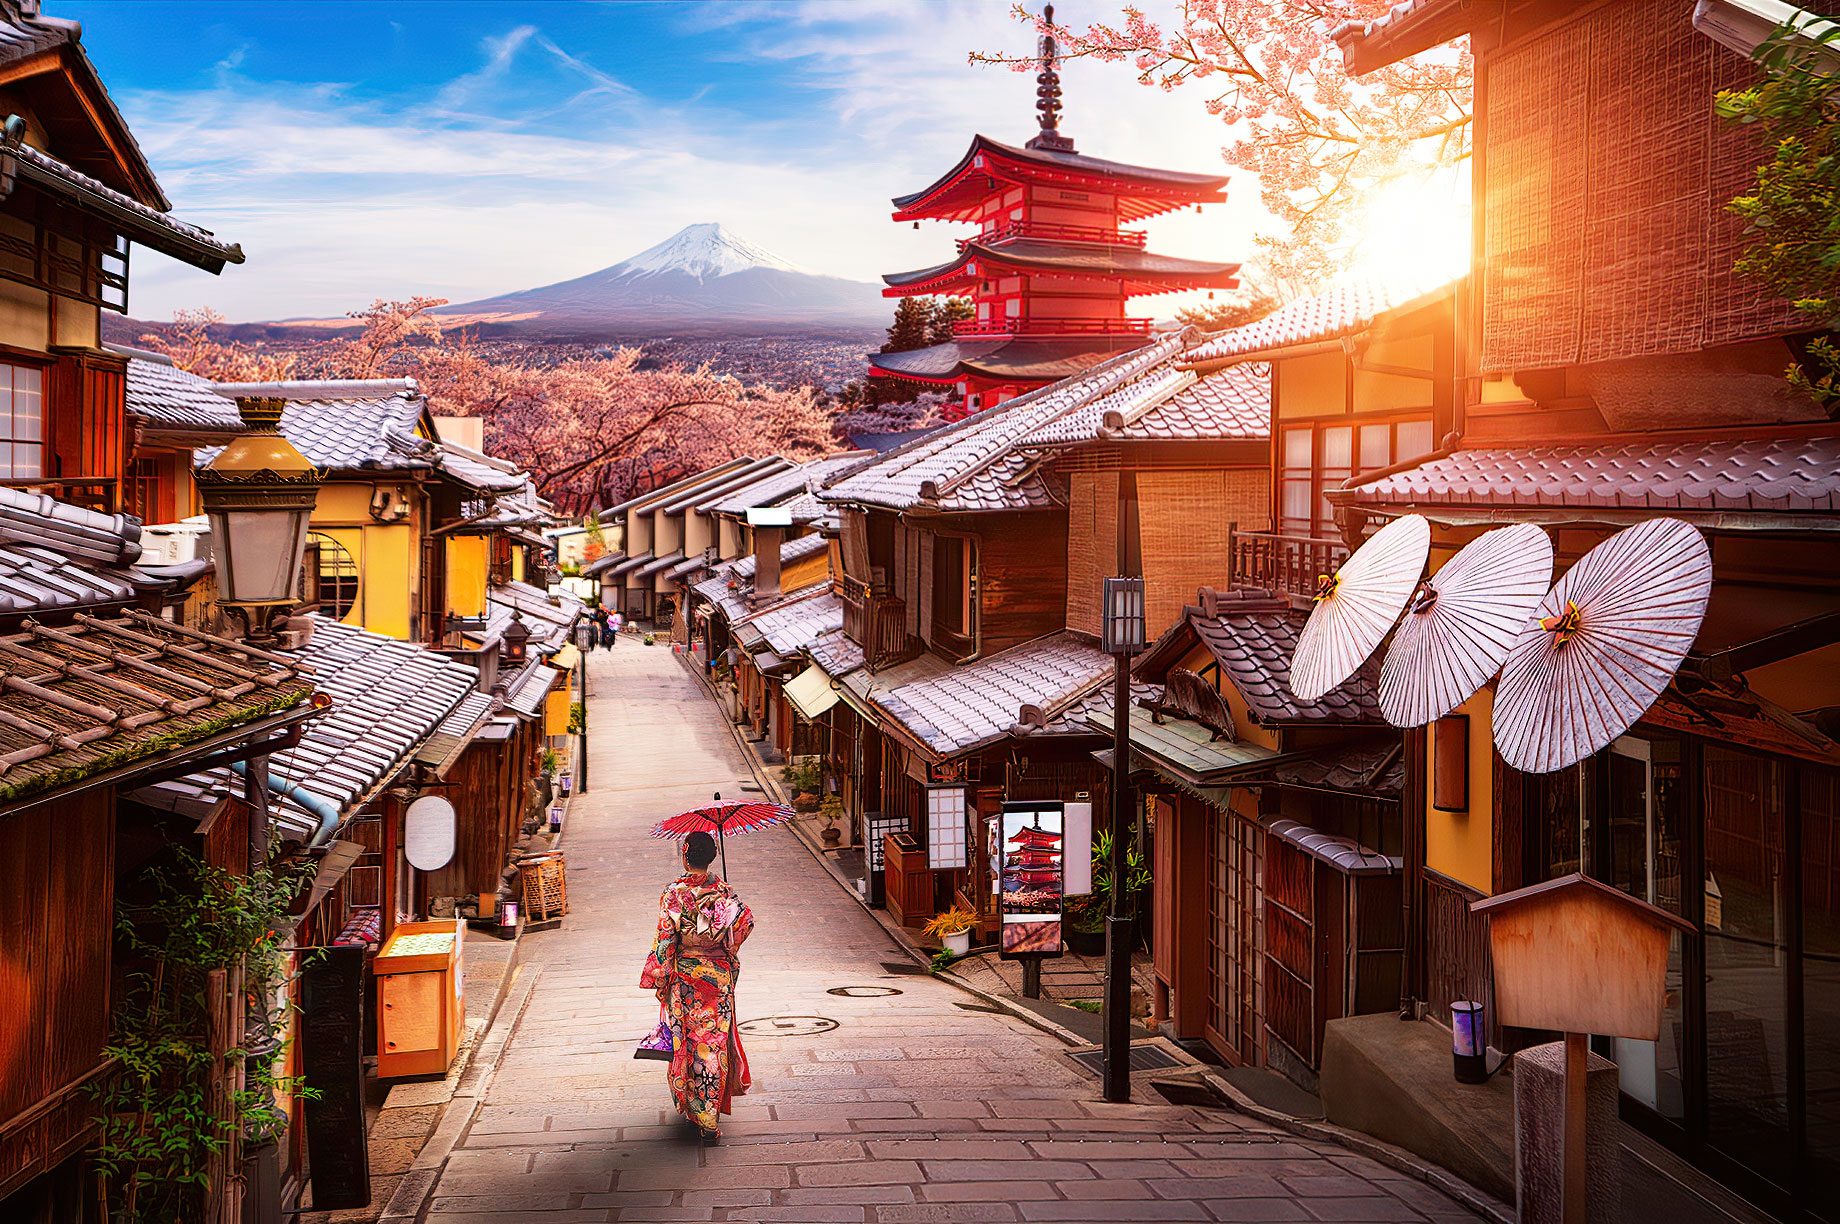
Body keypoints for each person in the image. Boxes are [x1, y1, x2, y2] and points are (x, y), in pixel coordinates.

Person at [638, 831, 754, 1144]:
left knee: (687, 1045)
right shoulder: (724, 890)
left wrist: (660, 977)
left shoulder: (674, 892)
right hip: (716, 981)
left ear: (686, 853)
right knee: (711, 1045)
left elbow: (665, 939)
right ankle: (708, 1118)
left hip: (685, 981)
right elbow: (741, 928)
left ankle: (694, 1108)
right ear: (712, 856)